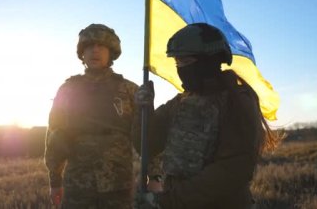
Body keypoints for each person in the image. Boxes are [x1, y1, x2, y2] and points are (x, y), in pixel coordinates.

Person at [135, 23, 278, 209]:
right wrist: (143, 110)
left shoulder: (238, 100)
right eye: (178, 63)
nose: (180, 69)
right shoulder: (180, 102)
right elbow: (146, 146)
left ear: (208, 61)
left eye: (186, 62)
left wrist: (166, 201)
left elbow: (231, 171)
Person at [44, 23, 139, 209]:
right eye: (89, 46)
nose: (95, 50)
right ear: (82, 53)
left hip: (117, 184)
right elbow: (55, 136)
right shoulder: (68, 90)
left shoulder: (129, 90)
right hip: (78, 184)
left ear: (111, 52)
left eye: (101, 46)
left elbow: (147, 134)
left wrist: (154, 176)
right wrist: (55, 180)